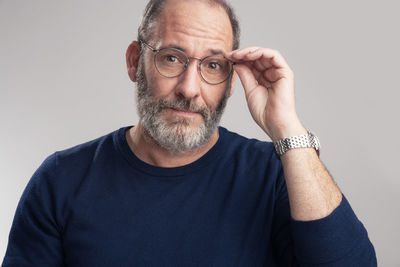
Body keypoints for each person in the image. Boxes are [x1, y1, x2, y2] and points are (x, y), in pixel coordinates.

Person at [2, 0, 377, 266]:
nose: (189, 88)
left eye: (213, 66)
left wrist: (287, 128)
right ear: (136, 62)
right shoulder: (60, 180)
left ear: (230, 82)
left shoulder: (275, 173)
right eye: (171, 58)